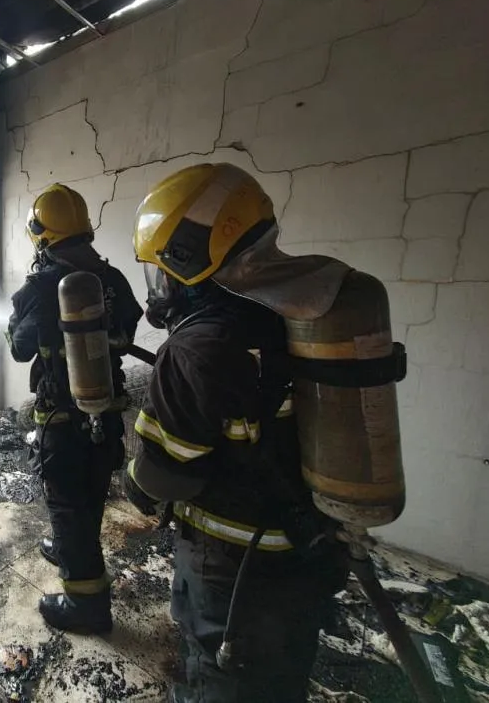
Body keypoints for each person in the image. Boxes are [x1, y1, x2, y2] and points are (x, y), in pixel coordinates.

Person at [123, 164, 348, 702]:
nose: (161, 286)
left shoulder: (197, 347)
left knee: (224, 675)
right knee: (279, 675)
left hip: (235, 566)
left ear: (188, 258)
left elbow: (165, 476)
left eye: (163, 269)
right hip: (308, 546)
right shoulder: (300, 315)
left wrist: (135, 480)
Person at [6, 183, 142, 633]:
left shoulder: (42, 286)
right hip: (105, 415)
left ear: (42, 234)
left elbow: (20, 349)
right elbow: (129, 331)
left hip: (62, 422)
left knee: (65, 503)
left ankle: (86, 606)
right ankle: (71, 548)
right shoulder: (114, 278)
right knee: (91, 492)